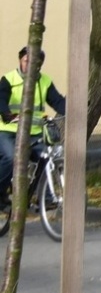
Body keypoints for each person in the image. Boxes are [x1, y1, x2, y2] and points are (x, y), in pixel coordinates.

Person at [0, 47, 67, 203]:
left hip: (34, 133)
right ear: (20, 61)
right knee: (11, 158)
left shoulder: (45, 81)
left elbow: (57, 101)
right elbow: (1, 99)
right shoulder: (9, 79)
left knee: (47, 157)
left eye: (35, 62)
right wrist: (6, 113)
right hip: (8, 131)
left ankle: (47, 198)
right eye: (26, 61)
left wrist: (76, 106)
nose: (30, 65)